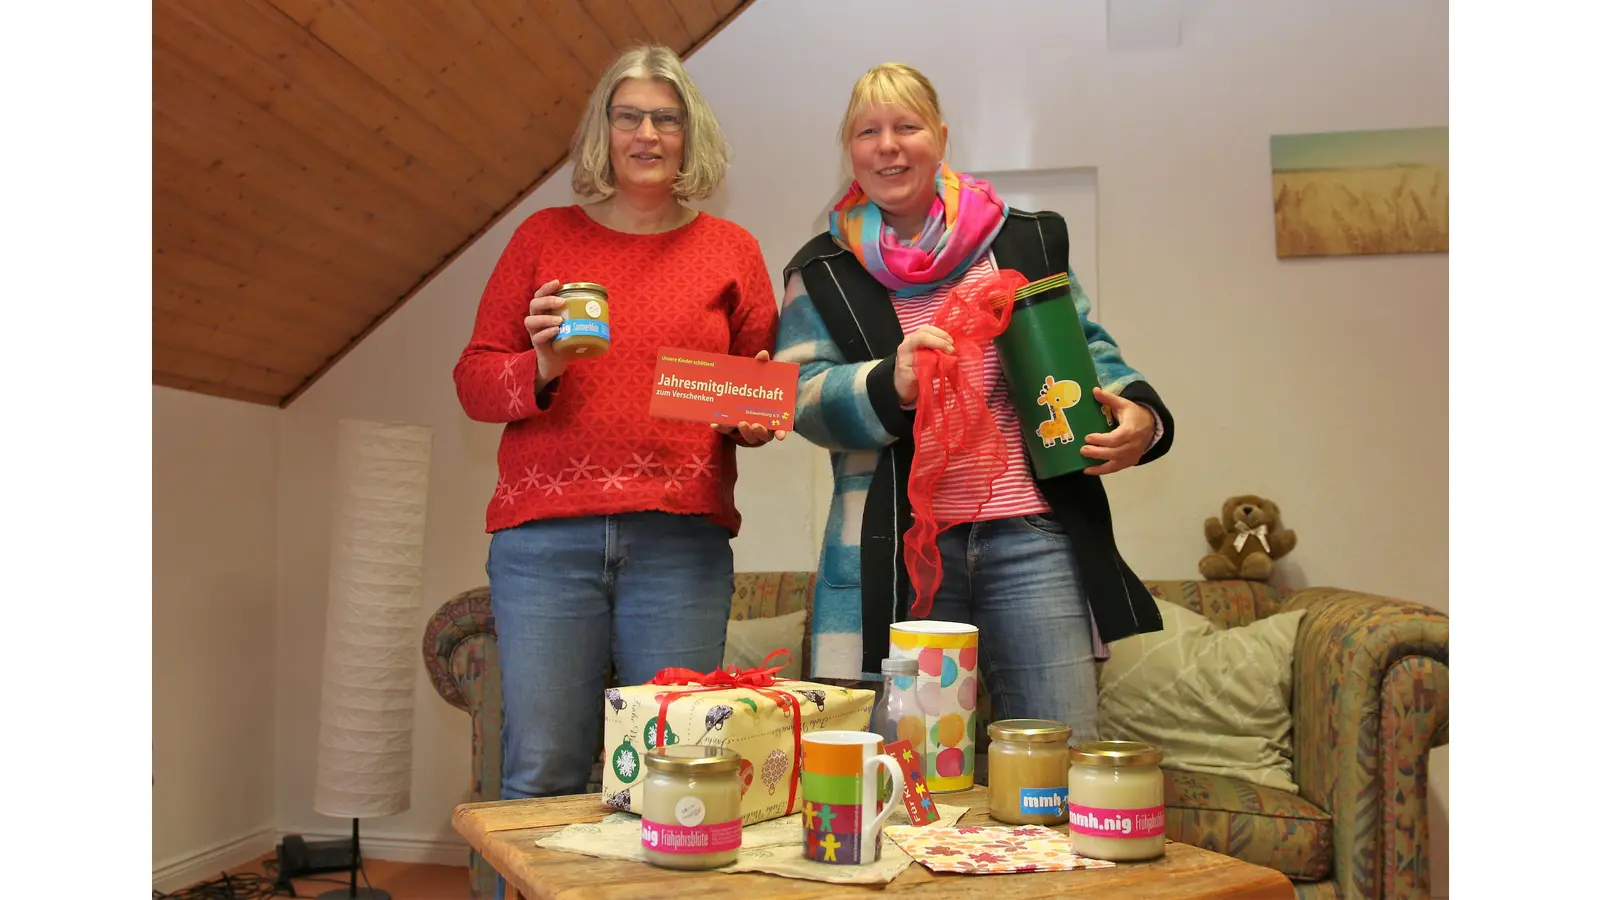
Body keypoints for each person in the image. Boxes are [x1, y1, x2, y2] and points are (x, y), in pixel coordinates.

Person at [775, 63, 1175, 742]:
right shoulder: (821, 271)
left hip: (1033, 539)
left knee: (1059, 758)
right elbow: (802, 399)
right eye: (868, 131)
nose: (888, 145)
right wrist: (885, 381)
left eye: (907, 126)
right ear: (850, 148)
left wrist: (1139, 410)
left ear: (941, 136)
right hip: (898, 555)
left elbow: (1088, 350)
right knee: (906, 778)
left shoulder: (1023, 239)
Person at [452, 43, 782, 826]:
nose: (648, 134)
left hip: (680, 543)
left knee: (680, 771)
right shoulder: (541, 238)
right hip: (544, 547)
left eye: (666, 119)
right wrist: (536, 364)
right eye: (630, 116)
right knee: (541, 772)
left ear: (689, 135)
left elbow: (757, 395)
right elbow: (473, 381)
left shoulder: (732, 251)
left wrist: (754, 419)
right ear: (604, 131)